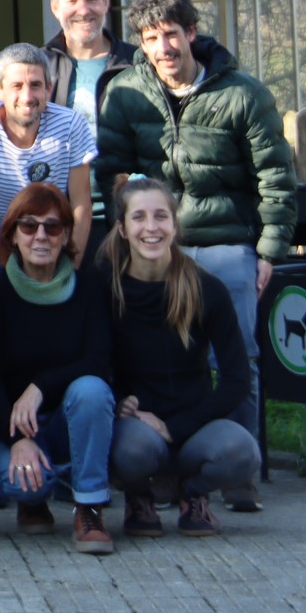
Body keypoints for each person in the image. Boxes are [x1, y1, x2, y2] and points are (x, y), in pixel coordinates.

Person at [94, 0, 295, 513]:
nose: (163, 48)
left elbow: (275, 176)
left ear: (191, 33)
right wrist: (128, 235)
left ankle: (236, 474)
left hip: (224, 239)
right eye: (150, 38)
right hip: (152, 241)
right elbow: (111, 170)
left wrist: (269, 249)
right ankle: (161, 464)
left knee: (239, 354)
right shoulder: (126, 92)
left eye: (171, 35)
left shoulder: (243, 94)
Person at [103, 177, 262, 540]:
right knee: (128, 452)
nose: (151, 227)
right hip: (138, 428)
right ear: (122, 229)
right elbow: (90, 360)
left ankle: (194, 494)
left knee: (242, 452)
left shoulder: (207, 288)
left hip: (195, 427)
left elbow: (238, 380)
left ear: (174, 225)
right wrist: (118, 401)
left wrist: (176, 427)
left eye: (161, 216)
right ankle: (139, 496)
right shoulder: (105, 287)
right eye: (139, 217)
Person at [0, 184, 116, 554]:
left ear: (66, 236)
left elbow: (99, 360)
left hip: (67, 418)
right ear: (12, 236)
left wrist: (40, 386)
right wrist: (17, 440)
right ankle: (32, 501)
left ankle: (89, 508)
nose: (40, 236)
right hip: (7, 422)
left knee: (92, 389)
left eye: (52, 227)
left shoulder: (90, 288)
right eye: (28, 225)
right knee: (26, 485)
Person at [0, 43, 95, 268]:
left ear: (49, 89)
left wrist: (70, 270)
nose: (27, 96)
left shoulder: (71, 125)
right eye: (17, 86)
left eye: (35, 85)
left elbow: (81, 205)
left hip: (50, 247)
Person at [43, 0, 138, 249]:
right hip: (56, 218)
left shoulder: (139, 64)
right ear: (55, 7)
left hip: (126, 217)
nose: (83, 10)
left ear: (106, 2)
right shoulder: (37, 67)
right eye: (72, 1)